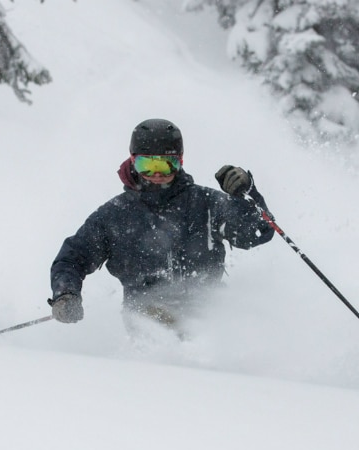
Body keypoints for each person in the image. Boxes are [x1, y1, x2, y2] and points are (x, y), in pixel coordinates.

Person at [48, 118, 274, 334]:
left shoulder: (205, 204)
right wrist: (66, 294)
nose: (156, 174)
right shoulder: (116, 215)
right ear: (133, 161)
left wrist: (246, 197)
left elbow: (255, 233)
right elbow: (73, 257)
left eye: (166, 165)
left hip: (209, 314)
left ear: (180, 162)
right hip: (147, 318)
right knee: (158, 320)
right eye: (147, 165)